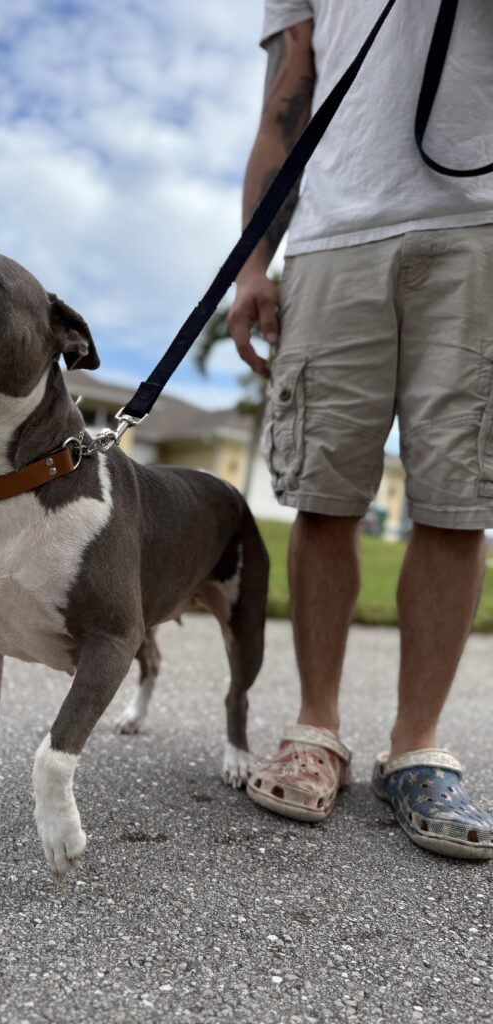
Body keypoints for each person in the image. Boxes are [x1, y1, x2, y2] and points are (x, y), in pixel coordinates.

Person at [232, 0, 493, 859]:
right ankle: (317, 731)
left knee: (458, 499)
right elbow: (286, 97)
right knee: (325, 493)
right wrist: (252, 263)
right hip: (333, 230)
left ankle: (417, 747)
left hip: (477, 226)